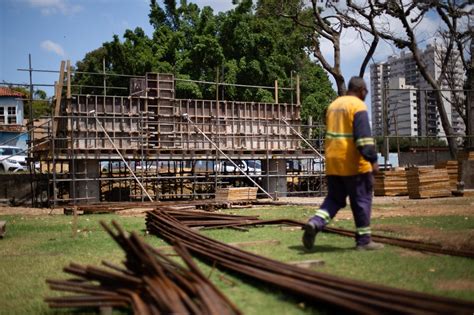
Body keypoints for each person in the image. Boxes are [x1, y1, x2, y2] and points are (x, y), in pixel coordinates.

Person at [302, 76, 384, 251]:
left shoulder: (333, 106)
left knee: (334, 199)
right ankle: (364, 241)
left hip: (333, 163)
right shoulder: (357, 106)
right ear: (362, 90)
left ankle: (315, 223)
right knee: (362, 199)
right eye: (366, 92)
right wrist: (373, 160)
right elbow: (363, 139)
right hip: (354, 164)